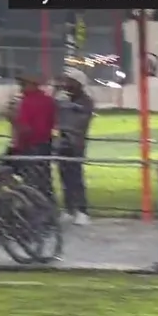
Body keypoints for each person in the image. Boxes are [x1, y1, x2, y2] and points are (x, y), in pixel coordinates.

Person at [8, 72, 57, 206]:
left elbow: (24, 127)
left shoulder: (27, 102)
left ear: (32, 85)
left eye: (23, 84)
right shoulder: (48, 101)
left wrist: (13, 120)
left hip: (29, 145)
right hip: (45, 144)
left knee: (30, 179)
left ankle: (32, 207)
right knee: (44, 178)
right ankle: (49, 207)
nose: (21, 87)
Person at [55, 68, 95, 225]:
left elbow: (79, 121)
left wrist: (66, 106)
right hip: (62, 142)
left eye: (70, 81)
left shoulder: (85, 101)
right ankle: (69, 208)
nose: (66, 84)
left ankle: (82, 210)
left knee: (76, 178)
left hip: (75, 144)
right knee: (64, 177)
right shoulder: (64, 99)